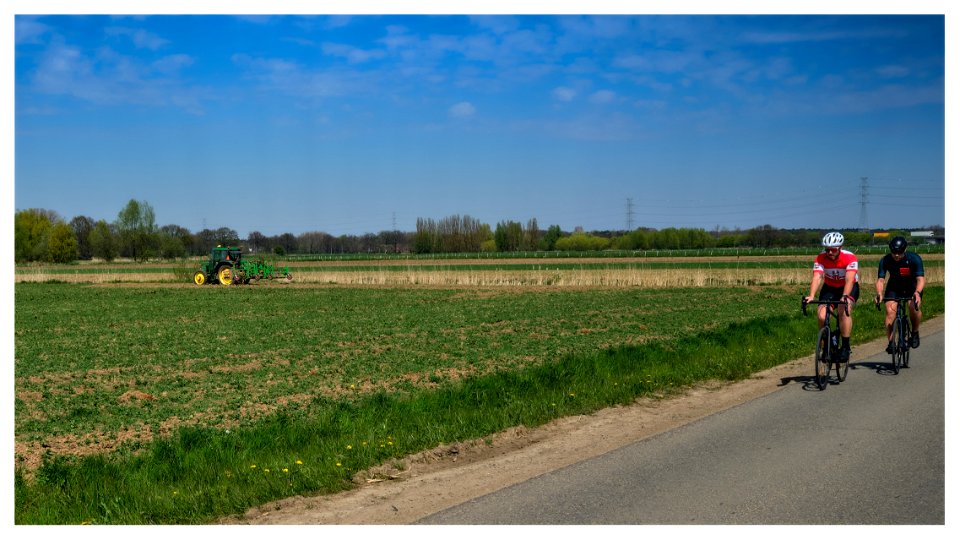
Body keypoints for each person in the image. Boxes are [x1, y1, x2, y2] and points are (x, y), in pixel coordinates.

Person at [804, 231, 860, 362]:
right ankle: (826, 345)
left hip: (848, 287)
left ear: (840, 247)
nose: (829, 252)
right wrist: (811, 295)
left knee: (843, 310)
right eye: (827, 249)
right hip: (829, 287)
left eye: (833, 250)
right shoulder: (820, 258)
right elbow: (817, 277)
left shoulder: (850, 257)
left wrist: (845, 296)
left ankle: (846, 347)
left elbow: (850, 279)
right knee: (822, 315)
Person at [875, 236, 925, 352]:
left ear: (905, 249)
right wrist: (879, 293)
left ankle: (915, 332)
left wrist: (917, 293)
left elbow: (920, 279)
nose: (896, 255)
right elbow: (880, 280)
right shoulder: (885, 260)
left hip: (912, 287)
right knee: (889, 311)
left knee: (913, 307)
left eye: (900, 252)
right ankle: (891, 342)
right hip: (894, 287)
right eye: (894, 252)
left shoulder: (914, 259)